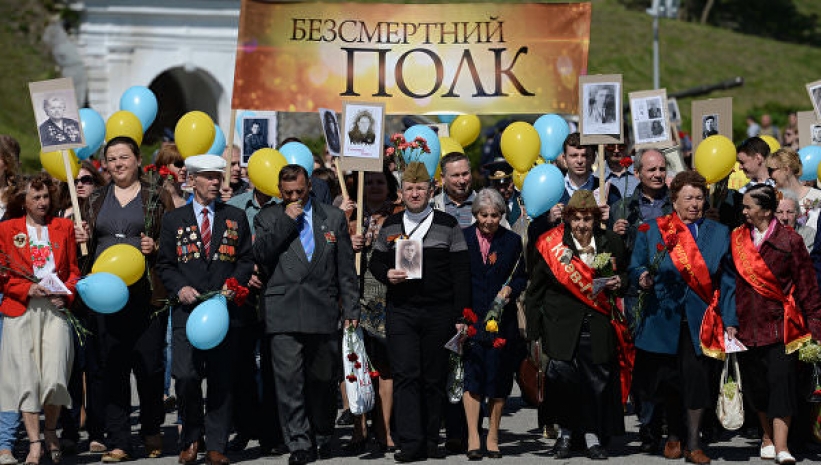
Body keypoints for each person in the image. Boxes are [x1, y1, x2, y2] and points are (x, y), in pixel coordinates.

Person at [629, 170, 737, 465]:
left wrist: (730, 320)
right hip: (662, 318)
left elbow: (727, 282)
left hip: (700, 320)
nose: (694, 204)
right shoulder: (653, 229)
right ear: (673, 200)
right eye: (688, 197)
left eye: (700, 197)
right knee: (667, 382)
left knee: (697, 380)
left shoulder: (719, 233)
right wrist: (642, 277)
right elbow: (635, 265)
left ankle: (694, 442)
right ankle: (673, 436)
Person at [253, 164, 359, 465]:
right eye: (288, 193)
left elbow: (346, 270)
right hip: (283, 310)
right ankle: (299, 442)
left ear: (309, 186)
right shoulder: (269, 217)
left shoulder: (333, 217)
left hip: (321, 308)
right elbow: (261, 254)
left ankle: (323, 432)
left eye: (300, 191)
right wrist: (286, 221)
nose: (295, 197)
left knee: (322, 379)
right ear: (279, 191)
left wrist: (351, 308)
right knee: (289, 382)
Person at [75, 136, 172, 462]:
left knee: (150, 368)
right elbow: (82, 253)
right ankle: (119, 440)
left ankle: (150, 427)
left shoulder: (155, 198)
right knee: (112, 368)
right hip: (106, 298)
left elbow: (172, 242)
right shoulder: (95, 199)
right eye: (112, 158)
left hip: (146, 297)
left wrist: (155, 248)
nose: (117, 164)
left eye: (123, 157)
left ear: (137, 159)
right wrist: (82, 241)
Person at [369, 161, 471, 462]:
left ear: (431, 190)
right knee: (405, 375)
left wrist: (462, 316)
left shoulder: (448, 225)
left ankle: (429, 441)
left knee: (433, 378)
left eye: (420, 188)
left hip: (439, 312)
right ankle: (410, 443)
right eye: (410, 188)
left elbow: (461, 273)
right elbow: (375, 262)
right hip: (401, 311)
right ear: (401, 193)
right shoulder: (390, 224)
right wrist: (387, 272)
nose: (415, 193)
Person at [156, 155, 254, 465]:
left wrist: (232, 284)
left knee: (222, 379)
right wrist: (179, 288)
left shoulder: (235, 217)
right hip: (188, 312)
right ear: (192, 180)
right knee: (185, 376)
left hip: (222, 312)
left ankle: (216, 444)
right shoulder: (175, 219)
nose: (215, 182)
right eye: (209, 177)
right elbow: (165, 264)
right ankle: (191, 437)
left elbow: (246, 259)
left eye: (218, 177)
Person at [526, 190, 627, 460]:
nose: (582, 225)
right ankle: (565, 435)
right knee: (563, 385)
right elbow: (535, 292)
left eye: (587, 219)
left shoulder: (611, 242)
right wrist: (534, 333)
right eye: (576, 219)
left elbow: (625, 274)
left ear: (595, 219)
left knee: (596, 384)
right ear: (568, 219)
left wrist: (621, 283)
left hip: (598, 325)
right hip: (560, 326)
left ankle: (593, 437)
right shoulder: (551, 244)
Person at [728, 184, 821, 465]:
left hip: (781, 326)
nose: (743, 211)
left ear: (766, 210)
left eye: (748, 206)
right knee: (758, 388)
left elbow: (807, 287)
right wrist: (729, 320)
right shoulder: (737, 238)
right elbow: (728, 283)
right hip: (747, 326)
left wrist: (816, 326)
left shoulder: (790, 241)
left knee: (781, 384)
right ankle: (766, 437)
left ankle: (782, 447)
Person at [0, 173, 80, 465]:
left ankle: (50, 430)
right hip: (21, 309)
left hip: (54, 311)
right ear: (24, 200)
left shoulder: (64, 227)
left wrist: (66, 293)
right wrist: (28, 287)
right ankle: (35, 442)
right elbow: (2, 275)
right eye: (36, 197)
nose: (43, 202)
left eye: (46, 196)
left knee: (55, 375)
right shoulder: (8, 229)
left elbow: (73, 271)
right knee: (27, 379)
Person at [461, 189, 526, 460]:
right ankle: (473, 436)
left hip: (502, 321)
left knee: (498, 379)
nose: (489, 220)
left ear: (502, 215)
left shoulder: (511, 241)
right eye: (484, 214)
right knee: (473, 377)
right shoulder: (462, 238)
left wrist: (510, 290)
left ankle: (493, 435)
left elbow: (522, 276)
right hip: (472, 318)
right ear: (475, 214)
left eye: (495, 215)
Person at [343, 166, 402, 454]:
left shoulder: (400, 216)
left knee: (385, 367)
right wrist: (348, 240)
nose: (375, 186)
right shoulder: (350, 216)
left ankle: (385, 429)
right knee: (357, 365)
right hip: (355, 297)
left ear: (389, 186)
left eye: (381, 182)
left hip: (388, 298)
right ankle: (359, 427)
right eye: (370, 182)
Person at [224, 186, 283, 455]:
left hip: (277, 294)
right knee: (240, 367)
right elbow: (228, 249)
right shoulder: (235, 205)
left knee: (273, 367)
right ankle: (244, 428)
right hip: (242, 297)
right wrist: (245, 275)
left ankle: (273, 433)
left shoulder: (286, 204)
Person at [766, 147, 821, 233]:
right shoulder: (773, 200)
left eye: (771, 170)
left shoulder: (817, 196)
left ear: (786, 170)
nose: (769, 175)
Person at [432, 153, 475, 229]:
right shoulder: (431, 206)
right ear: (443, 178)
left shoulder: (488, 204)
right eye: (456, 175)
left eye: (465, 174)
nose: (462, 181)